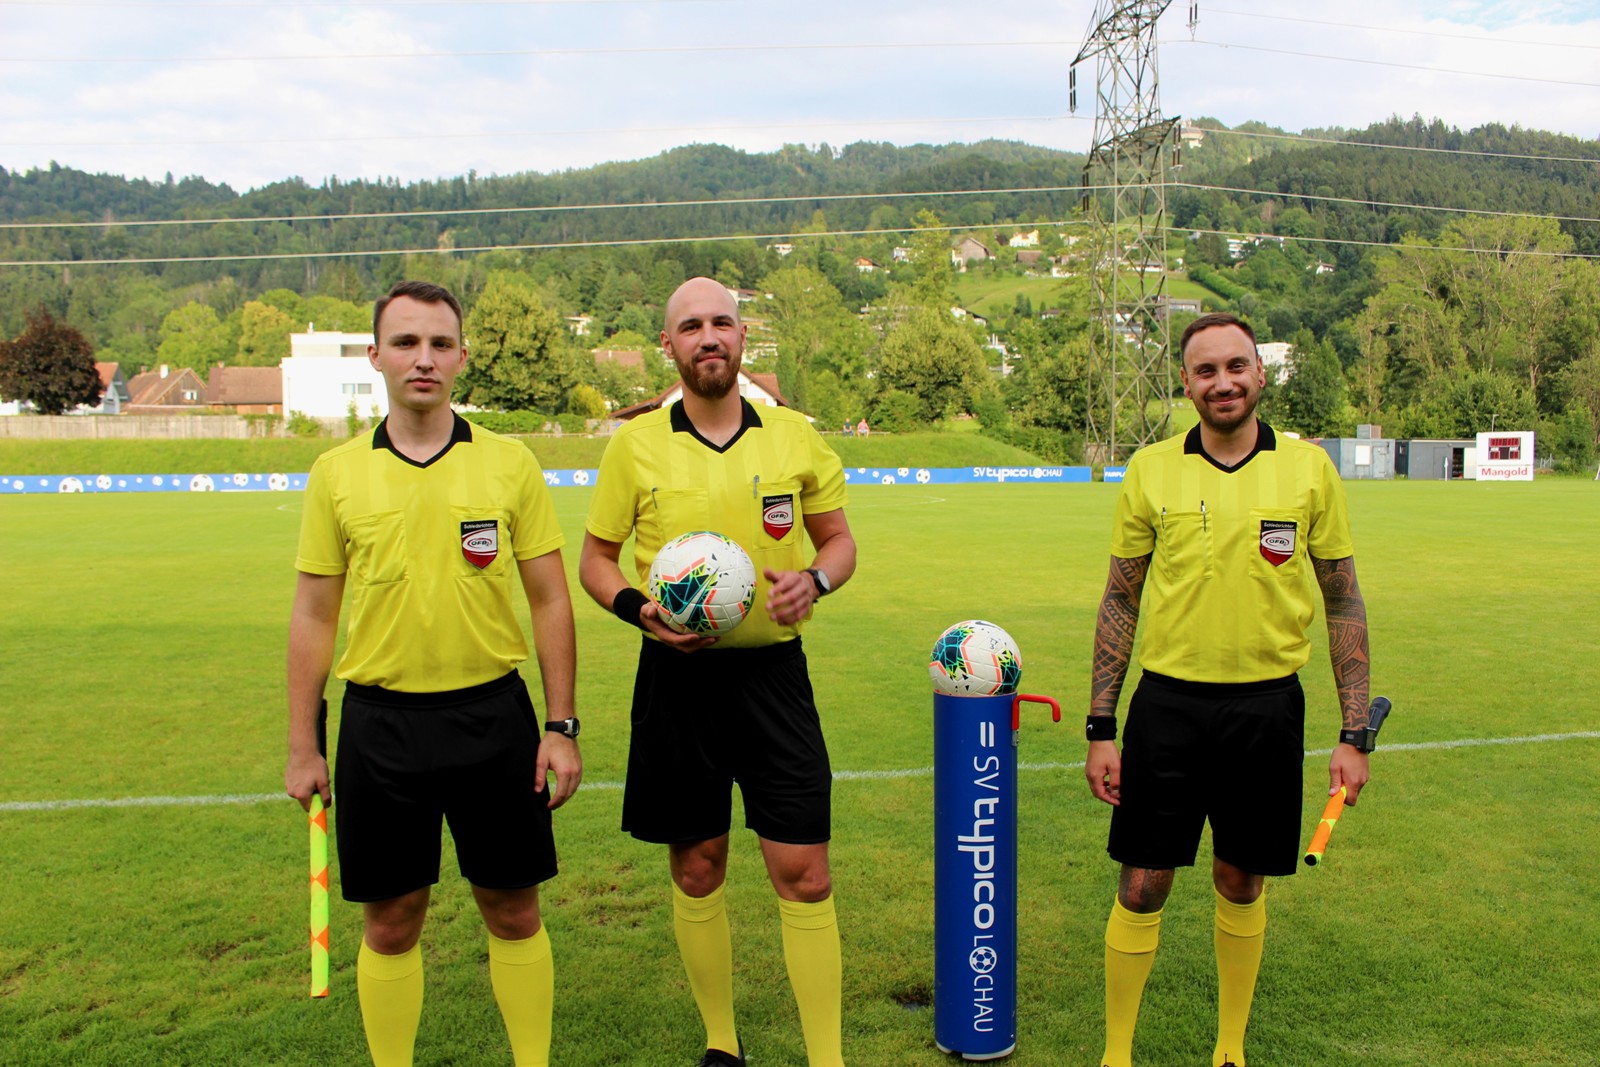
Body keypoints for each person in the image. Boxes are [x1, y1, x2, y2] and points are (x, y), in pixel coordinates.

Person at [284, 280, 582, 1067]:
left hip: (496, 720)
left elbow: (550, 599)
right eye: (407, 342)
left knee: (514, 911)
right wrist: (300, 744)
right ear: (376, 355)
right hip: (380, 727)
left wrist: (560, 726)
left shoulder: (511, 465)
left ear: (461, 357)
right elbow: (313, 614)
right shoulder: (337, 473)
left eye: (440, 343)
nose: (425, 358)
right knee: (390, 921)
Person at [578, 277, 857, 1067]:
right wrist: (640, 611)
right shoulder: (633, 446)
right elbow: (595, 560)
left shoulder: (793, 437)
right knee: (698, 865)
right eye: (691, 326)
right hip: (677, 682)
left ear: (743, 338)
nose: (709, 336)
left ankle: (827, 1057)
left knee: (803, 870)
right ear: (668, 345)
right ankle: (721, 1042)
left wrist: (818, 579)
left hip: (774, 675)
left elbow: (838, 542)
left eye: (722, 323)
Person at [1083, 312, 1373, 1067]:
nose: (1223, 382)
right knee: (1143, 883)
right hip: (1167, 706)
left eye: (1235, 366)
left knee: (1239, 878)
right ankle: (1118, 1052)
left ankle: (1231, 1048)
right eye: (1205, 371)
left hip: (1267, 707)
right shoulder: (1150, 468)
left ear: (1260, 374)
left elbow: (1343, 599)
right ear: (1186, 384)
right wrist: (1100, 726)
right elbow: (1121, 597)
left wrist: (1353, 734)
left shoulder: (1308, 469)